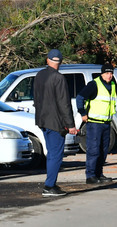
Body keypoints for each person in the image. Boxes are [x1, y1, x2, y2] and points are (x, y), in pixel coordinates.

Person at [34, 49, 79, 197]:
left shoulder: (39, 75)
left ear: (47, 60)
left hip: (42, 120)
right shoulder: (58, 78)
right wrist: (71, 125)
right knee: (56, 155)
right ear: (60, 62)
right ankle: (49, 186)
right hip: (55, 122)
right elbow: (64, 103)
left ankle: (51, 183)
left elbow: (36, 98)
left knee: (51, 153)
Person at [76, 63, 117, 184]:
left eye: (111, 73)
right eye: (107, 73)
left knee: (103, 150)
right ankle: (90, 176)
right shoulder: (94, 84)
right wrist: (82, 113)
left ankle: (99, 174)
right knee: (93, 150)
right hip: (94, 123)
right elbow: (80, 98)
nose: (109, 76)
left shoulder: (112, 85)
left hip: (106, 123)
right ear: (102, 73)